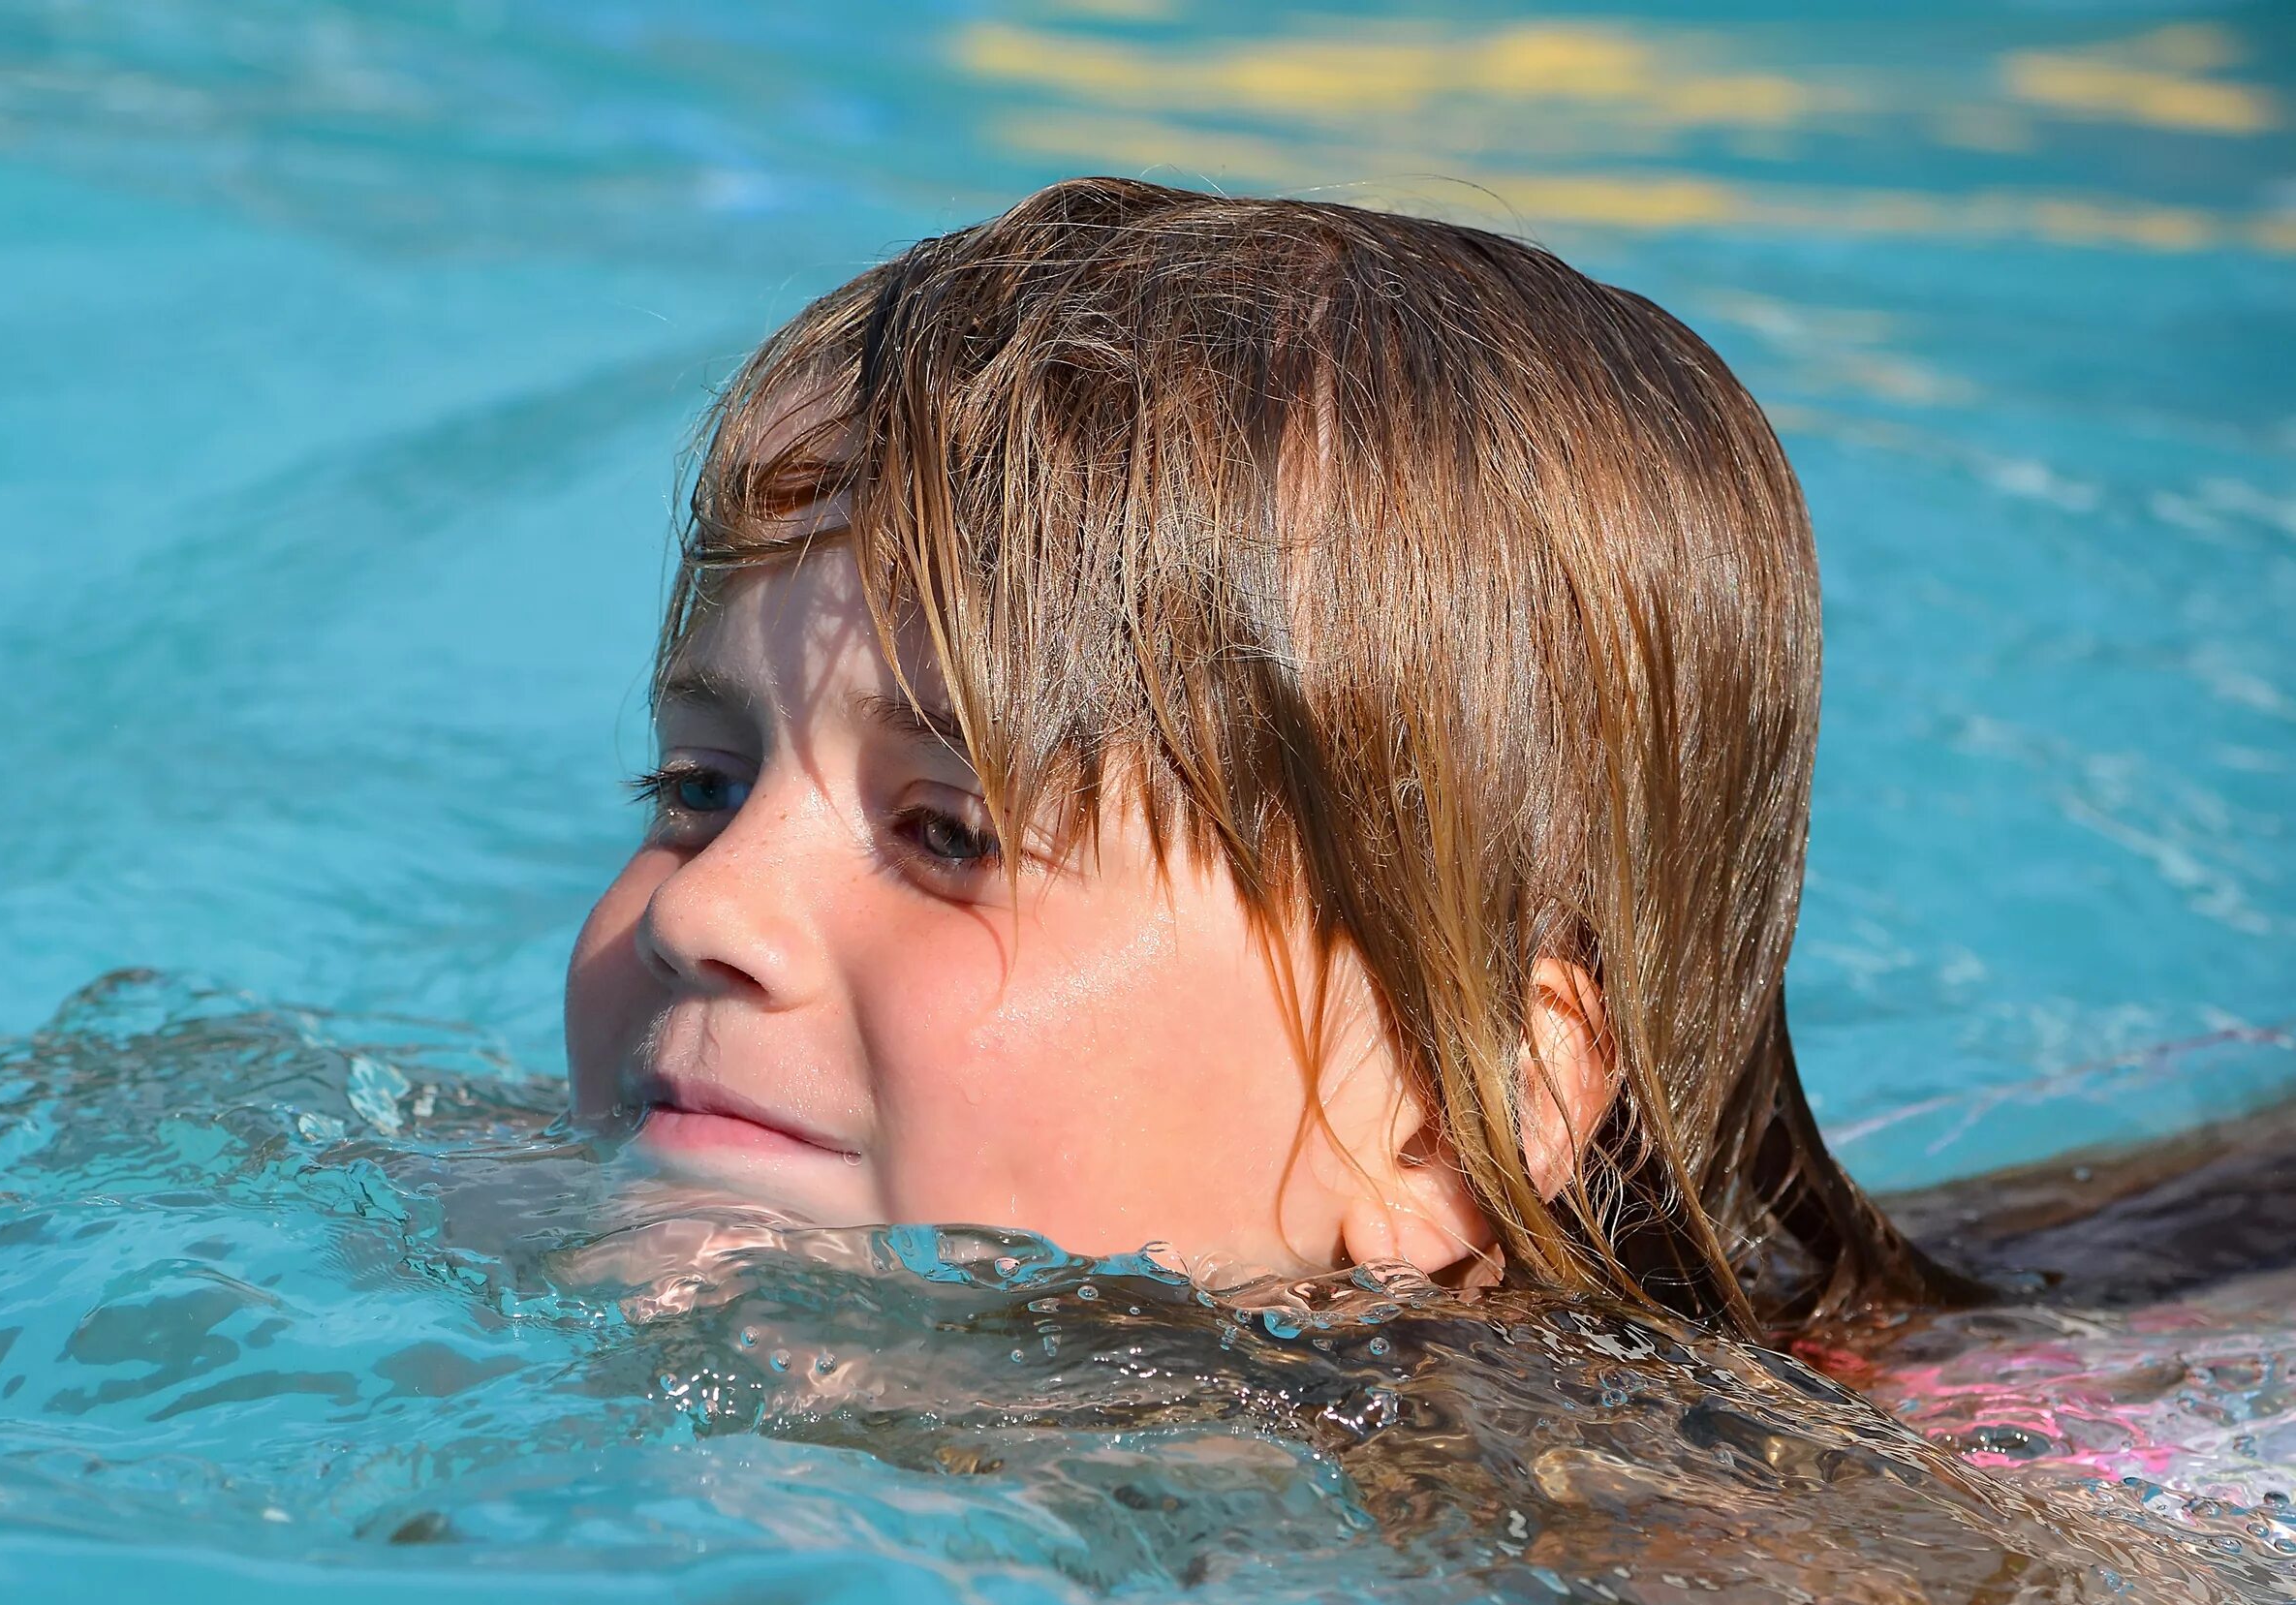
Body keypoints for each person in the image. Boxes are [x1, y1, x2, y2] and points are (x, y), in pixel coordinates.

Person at [563, 176, 1972, 1343]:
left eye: (951, 833)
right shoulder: (489, 1197)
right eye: (700, 787)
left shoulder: (1677, 1565)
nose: (704, 911)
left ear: (1443, 1110)